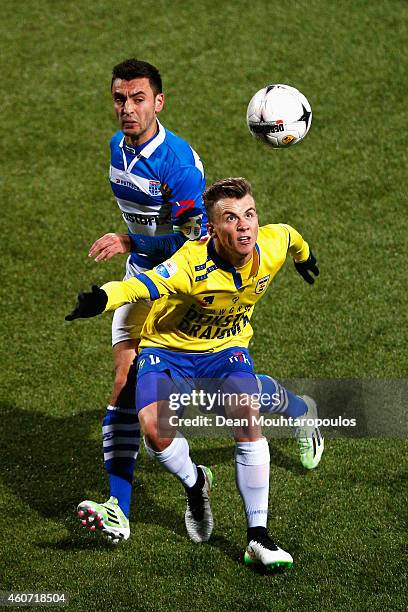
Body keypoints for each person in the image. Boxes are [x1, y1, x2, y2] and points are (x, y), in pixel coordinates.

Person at [67, 177, 321, 569]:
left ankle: (258, 538)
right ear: (213, 229)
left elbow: (291, 237)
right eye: (231, 219)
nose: (244, 226)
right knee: (155, 432)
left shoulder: (271, 244)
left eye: (249, 215)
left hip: (226, 349)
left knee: (246, 416)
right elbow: (139, 288)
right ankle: (196, 482)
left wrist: (304, 258)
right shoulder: (190, 264)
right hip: (169, 351)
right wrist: (101, 298)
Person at [86, 58, 208, 538]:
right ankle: (119, 508)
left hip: (178, 286)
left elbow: (195, 240)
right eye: (120, 99)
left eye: (138, 99)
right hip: (139, 276)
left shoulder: (177, 164)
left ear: (159, 102)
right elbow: (147, 223)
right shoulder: (118, 147)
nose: (127, 109)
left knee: (213, 388)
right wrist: (129, 240)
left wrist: (145, 245)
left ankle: (296, 411)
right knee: (124, 384)